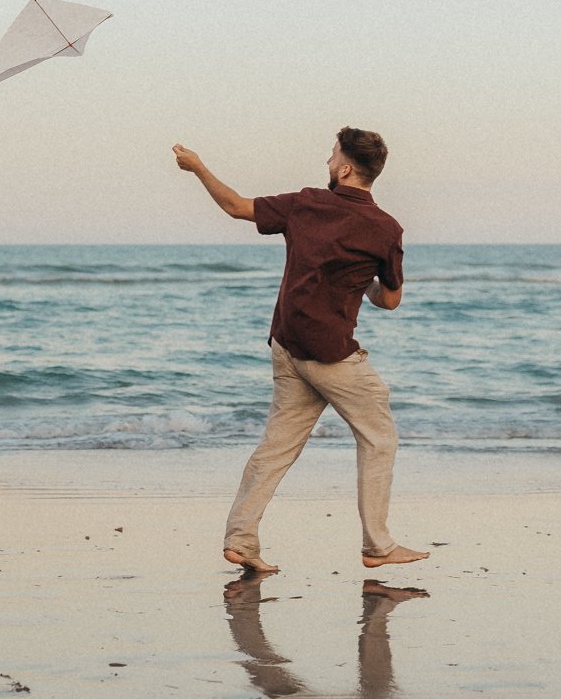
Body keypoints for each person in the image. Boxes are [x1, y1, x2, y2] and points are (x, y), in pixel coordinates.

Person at [174, 128, 427, 574]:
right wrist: (363, 280)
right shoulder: (386, 228)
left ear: (347, 168)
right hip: (329, 353)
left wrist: (198, 168)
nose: (328, 162)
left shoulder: (306, 203)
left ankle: (241, 539)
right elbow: (390, 300)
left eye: (332, 157)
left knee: (277, 447)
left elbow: (235, 207)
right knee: (380, 437)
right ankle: (378, 546)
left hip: (287, 345)